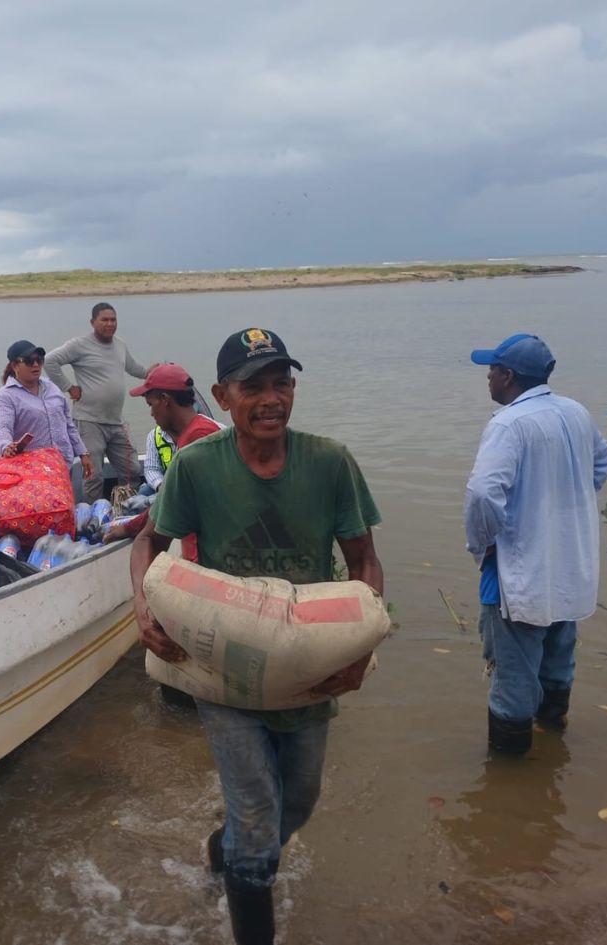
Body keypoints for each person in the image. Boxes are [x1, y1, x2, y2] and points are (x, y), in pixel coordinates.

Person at [131, 328, 383, 945]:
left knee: (298, 802)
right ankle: (246, 877)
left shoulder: (330, 462)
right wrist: (144, 609)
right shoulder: (196, 466)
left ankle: (224, 850)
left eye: (282, 384)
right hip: (225, 662)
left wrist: (362, 646)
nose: (271, 400)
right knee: (256, 816)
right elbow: (148, 543)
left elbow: (364, 561)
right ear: (222, 396)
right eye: (253, 388)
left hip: (308, 663)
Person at [463, 333, 607, 755]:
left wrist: (482, 545)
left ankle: (510, 775)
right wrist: (568, 510)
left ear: (508, 376)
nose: (488, 377)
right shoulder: (576, 412)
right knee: (558, 661)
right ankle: (553, 734)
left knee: (513, 676)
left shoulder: (509, 424)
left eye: (492, 369)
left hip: (523, 572)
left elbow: (482, 494)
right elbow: (603, 462)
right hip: (571, 566)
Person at [43, 302, 155, 501]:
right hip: (89, 421)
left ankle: (128, 507)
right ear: (93, 322)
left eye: (113, 320)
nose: (110, 324)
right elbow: (50, 361)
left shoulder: (120, 345)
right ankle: (94, 512)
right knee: (93, 475)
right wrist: (69, 387)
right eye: (104, 320)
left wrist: (150, 373)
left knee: (132, 469)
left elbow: (132, 368)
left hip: (116, 421)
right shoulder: (79, 345)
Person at [110, 364, 223, 555]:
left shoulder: (198, 438)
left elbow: (169, 503)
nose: (151, 413)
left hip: (206, 556)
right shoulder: (193, 433)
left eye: (150, 405)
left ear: (165, 400)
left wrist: (128, 529)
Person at [0, 339, 94, 494]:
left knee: (65, 505)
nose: (35, 365)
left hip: (63, 464)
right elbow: (3, 427)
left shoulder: (52, 387)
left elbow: (68, 425)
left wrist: (83, 453)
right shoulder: (6, 396)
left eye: (39, 360)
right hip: (33, 471)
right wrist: (6, 446)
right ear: (14, 365)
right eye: (29, 361)